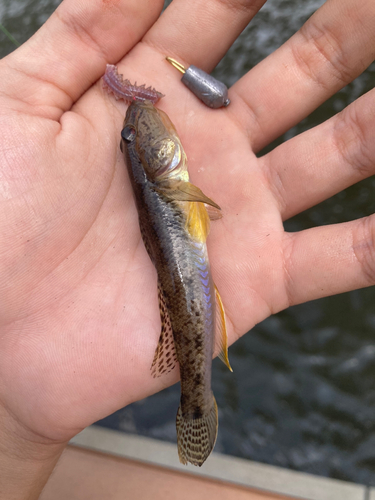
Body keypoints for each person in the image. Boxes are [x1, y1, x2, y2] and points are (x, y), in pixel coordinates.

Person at [0, 0, 374, 496]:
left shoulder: (166, 178)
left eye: (130, 138)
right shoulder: (167, 180)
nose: (135, 132)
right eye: (132, 140)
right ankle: (195, 399)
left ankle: (195, 394)